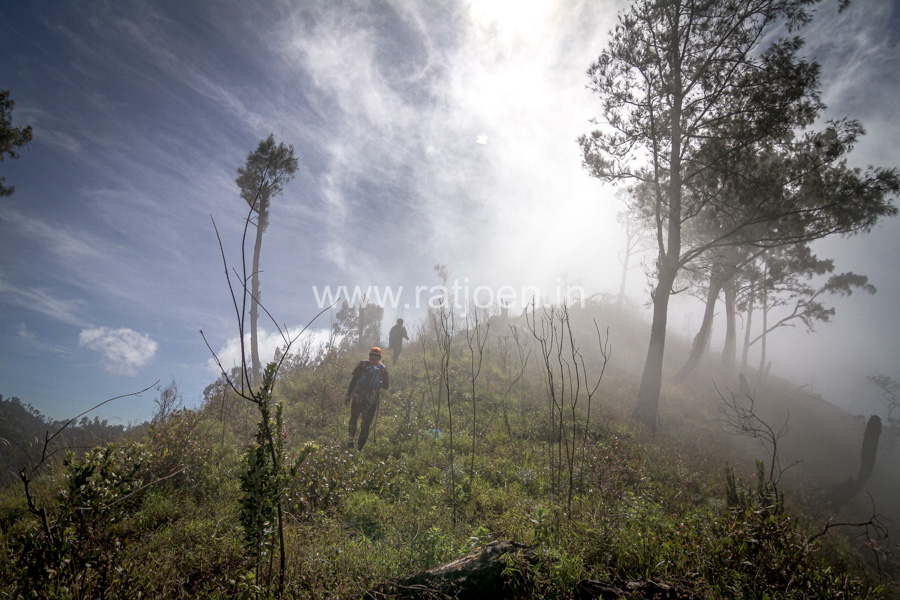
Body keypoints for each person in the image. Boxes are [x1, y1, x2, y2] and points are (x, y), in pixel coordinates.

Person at [346, 346, 390, 450]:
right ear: (380, 357)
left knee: (354, 418)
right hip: (372, 399)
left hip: (358, 396)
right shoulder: (383, 368)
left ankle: (350, 440)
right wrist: (379, 383)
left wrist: (348, 395)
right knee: (366, 423)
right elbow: (386, 386)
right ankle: (360, 448)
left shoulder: (362, 364)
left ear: (369, 355)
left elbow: (354, 380)